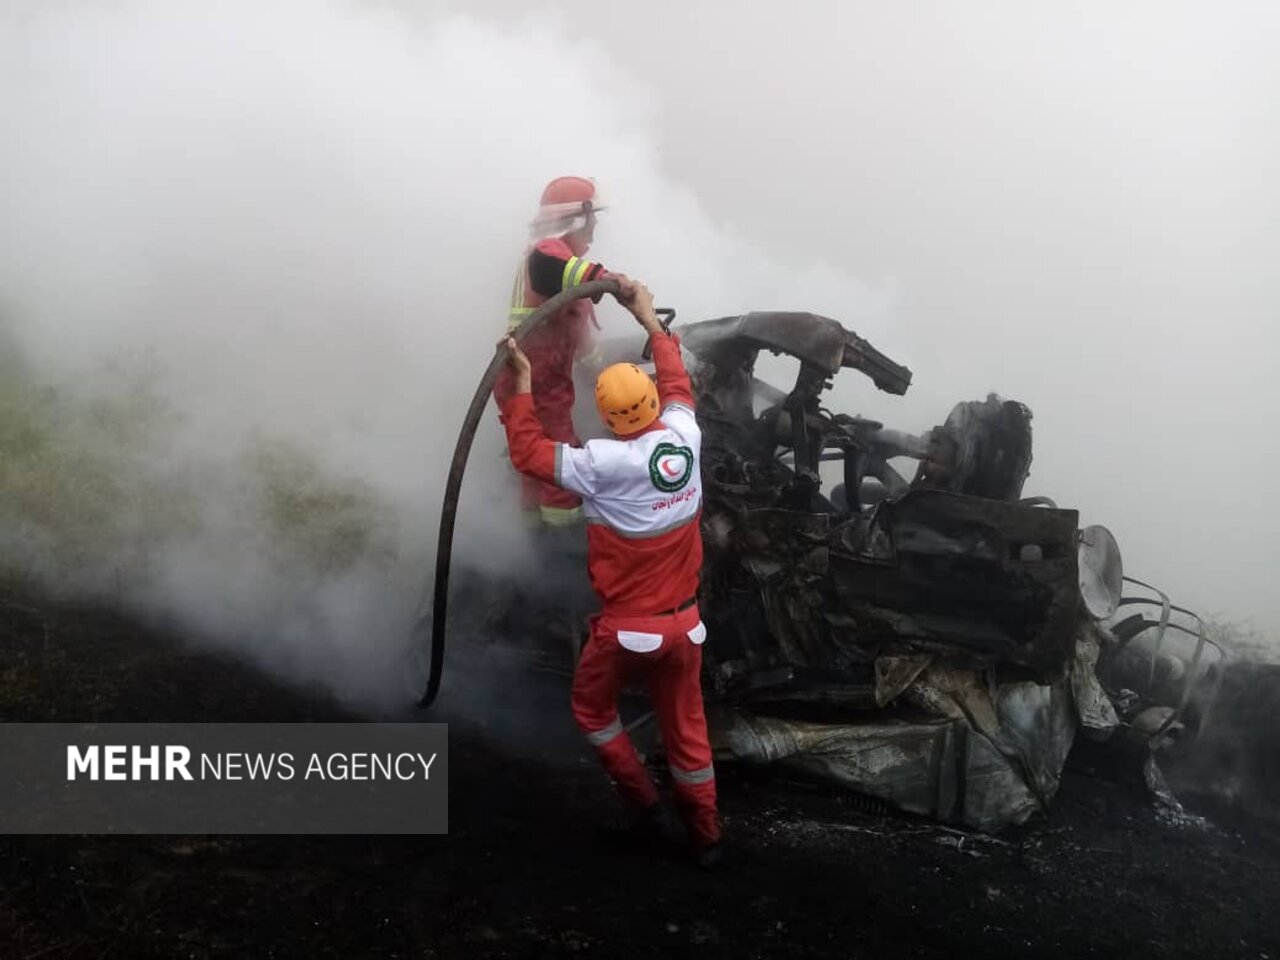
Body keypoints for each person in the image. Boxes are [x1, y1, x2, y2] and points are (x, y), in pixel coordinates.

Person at [496, 278, 722, 868]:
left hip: (625, 633)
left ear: (606, 416)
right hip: (686, 628)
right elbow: (676, 382)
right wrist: (650, 320)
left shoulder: (602, 463)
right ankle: (706, 840)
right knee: (688, 735)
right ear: (650, 404)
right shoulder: (685, 436)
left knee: (593, 712)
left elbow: (529, 454)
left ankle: (644, 807)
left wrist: (517, 385)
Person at [496, 175, 621, 531]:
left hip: (528, 379)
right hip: (533, 382)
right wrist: (612, 281)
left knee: (533, 462)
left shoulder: (556, 259)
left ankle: (532, 535)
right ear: (575, 220)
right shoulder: (548, 253)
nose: (595, 228)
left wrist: (604, 372)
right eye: (592, 219)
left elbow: (575, 334)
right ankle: (561, 543)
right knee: (561, 466)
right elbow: (553, 272)